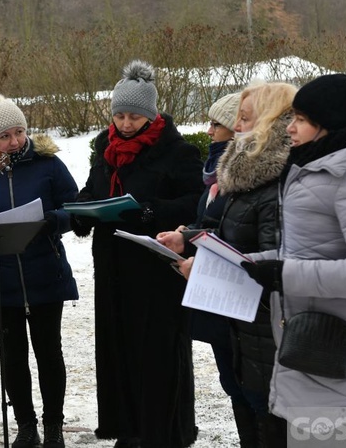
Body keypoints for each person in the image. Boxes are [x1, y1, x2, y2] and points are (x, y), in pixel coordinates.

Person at [243, 67, 346, 446]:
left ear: (329, 123)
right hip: (317, 352)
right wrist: (241, 262)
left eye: (301, 120)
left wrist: (284, 274)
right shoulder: (324, 161)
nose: (290, 128)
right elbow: (307, 252)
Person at [70, 59, 204, 448]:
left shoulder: (177, 151)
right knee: (118, 348)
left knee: (158, 350)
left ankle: (163, 431)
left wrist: (148, 211)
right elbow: (93, 190)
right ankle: (128, 428)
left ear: (151, 115)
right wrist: (80, 213)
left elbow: (195, 203)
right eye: (120, 116)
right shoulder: (105, 147)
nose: (126, 124)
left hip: (156, 265)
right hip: (112, 265)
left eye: (134, 117)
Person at [161, 81, 296, 447]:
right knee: (247, 406)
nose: (236, 125)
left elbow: (275, 270)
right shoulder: (246, 176)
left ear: (270, 121)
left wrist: (202, 271)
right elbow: (226, 231)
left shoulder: (277, 184)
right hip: (243, 329)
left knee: (271, 422)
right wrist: (188, 239)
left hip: (268, 332)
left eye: (244, 117)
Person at [0, 89, 79, 448]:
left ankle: (54, 426)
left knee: (49, 352)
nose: (14, 141)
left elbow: (76, 208)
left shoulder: (48, 164)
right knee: (13, 355)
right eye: (4, 136)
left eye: (19, 132)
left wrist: (50, 221)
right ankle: (26, 425)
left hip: (45, 270)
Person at [157, 92, 258, 446]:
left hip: (240, 297)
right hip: (218, 295)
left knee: (250, 386)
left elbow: (242, 234)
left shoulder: (244, 176)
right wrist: (187, 236)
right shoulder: (215, 176)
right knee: (232, 383)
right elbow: (211, 223)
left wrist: (194, 243)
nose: (209, 130)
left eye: (218, 124)